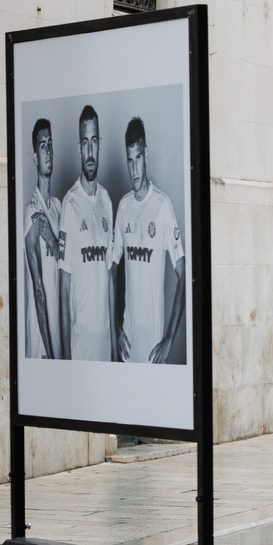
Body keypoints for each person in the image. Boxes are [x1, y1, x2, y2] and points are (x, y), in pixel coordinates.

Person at [115, 118, 186, 364]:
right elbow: (109, 268)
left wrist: (169, 339)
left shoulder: (163, 206)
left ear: (146, 155)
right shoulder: (123, 208)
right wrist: (115, 325)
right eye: (129, 160)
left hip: (154, 351)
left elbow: (184, 274)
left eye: (138, 159)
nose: (134, 169)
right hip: (128, 348)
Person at [58, 105, 121, 361]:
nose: (90, 151)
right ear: (78, 148)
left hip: (105, 348)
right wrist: (64, 360)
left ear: (100, 145)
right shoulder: (69, 204)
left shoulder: (107, 201)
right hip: (80, 350)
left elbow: (110, 280)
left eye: (94, 141)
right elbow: (63, 290)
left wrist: (115, 350)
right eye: (85, 142)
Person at [23, 118, 62, 359]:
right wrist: (48, 352)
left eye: (50, 144)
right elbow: (38, 287)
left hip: (57, 332)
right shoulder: (32, 211)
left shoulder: (58, 208)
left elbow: (68, 262)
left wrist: (52, 240)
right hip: (41, 341)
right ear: (36, 157)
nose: (47, 151)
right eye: (42, 146)